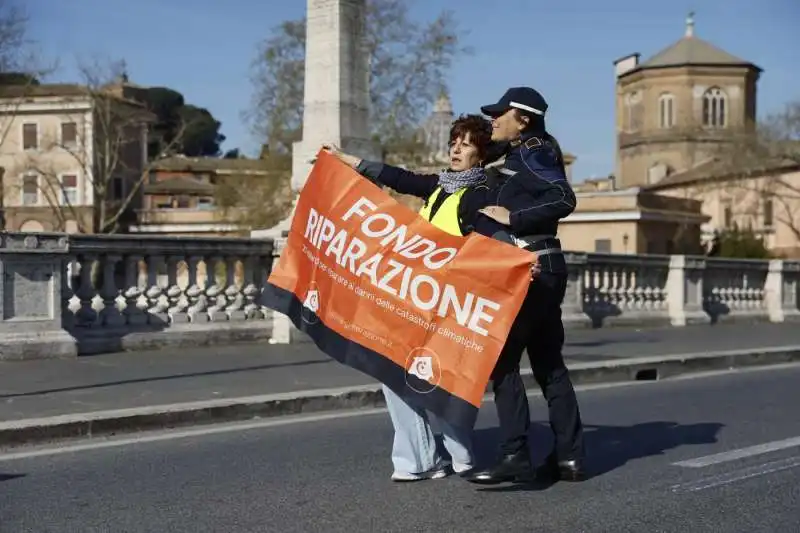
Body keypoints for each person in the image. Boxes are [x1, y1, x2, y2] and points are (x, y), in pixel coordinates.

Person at [322, 114, 496, 482]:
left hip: (450, 304)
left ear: (481, 154)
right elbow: (397, 177)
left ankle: (460, 452)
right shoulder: (436, 186)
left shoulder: (482, 195)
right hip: (413, 298)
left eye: (466, 143)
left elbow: (490, 247)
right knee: (392, 372)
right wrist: (345, 159)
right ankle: (416, 460)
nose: (456, 148)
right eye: (454, 141)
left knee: (442, 379)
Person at [463, 87, 587, 484]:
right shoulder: (526, 151)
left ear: (524, 119)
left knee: (502, 361)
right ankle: (570, 457)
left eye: (501, 114)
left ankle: (515, 454)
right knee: (549, 365)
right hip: (545, 266)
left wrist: (511, 218)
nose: (494, 120)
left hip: (531, 269)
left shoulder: (534, 151)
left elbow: (564, 199)